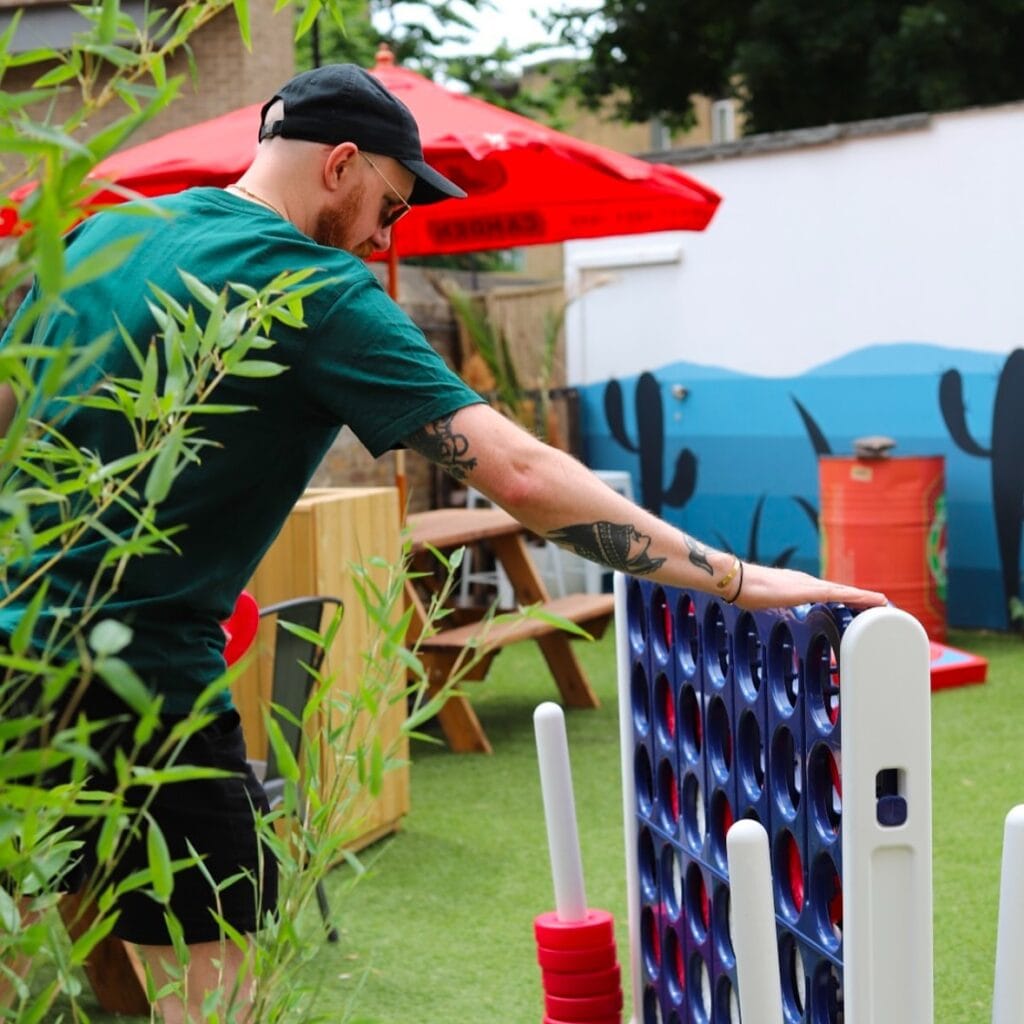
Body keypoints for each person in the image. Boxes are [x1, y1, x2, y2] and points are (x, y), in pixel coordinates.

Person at [0, 64, 886, 1022]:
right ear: (340, 163)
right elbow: (522, 477)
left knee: (61, 951)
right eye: (390, 201)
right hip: (149, 691)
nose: (389, 234)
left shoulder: (105, 233)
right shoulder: (310, 288)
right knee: (213, 1003)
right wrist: (737, 579)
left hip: (15, 659)